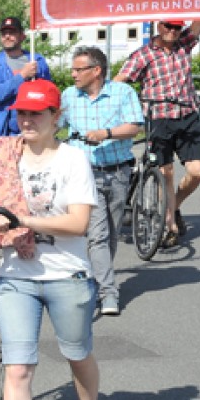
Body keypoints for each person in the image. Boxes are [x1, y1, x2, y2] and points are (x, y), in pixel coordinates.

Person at [0, 79, 102, 400]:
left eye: (35, 113)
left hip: (66, 274)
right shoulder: (0, 153)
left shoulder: (73, 159)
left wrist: (23, 220)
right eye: (21, 112)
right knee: (18, 368)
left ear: (56, 116)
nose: (26, 119)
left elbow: (78, 223)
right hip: (15, 276)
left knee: (77, 355)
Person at [61, 46, 143, 317]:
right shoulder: (69, 96)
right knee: (97, 235)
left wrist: (106, 133)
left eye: (77, 69)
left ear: (96, 71)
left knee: (111, 233)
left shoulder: (123, 93)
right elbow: (52, 123)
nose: (72, 74)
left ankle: (98, 279)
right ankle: (108, 292)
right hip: (86, 174)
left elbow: (134, 125)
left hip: (119, 171)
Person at [114, 19, 200, 247]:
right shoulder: (143, 54)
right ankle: (170, 226)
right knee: (165, 173)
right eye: (168, 26)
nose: (172, 31)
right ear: (159, 26)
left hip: (187, 115)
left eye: (177, 27)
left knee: (198, 171)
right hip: (158, 118)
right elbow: (120, 80)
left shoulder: (184, 44)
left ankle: (174, 206)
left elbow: (199, 20)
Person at [0, 16, 52, 141]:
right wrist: (22, 76)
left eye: (12, 32)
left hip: (35, 130)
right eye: (4, 33)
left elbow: (48, 93)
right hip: (5, 134)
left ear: (22, 36)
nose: (7, 36)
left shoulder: (37, 61)